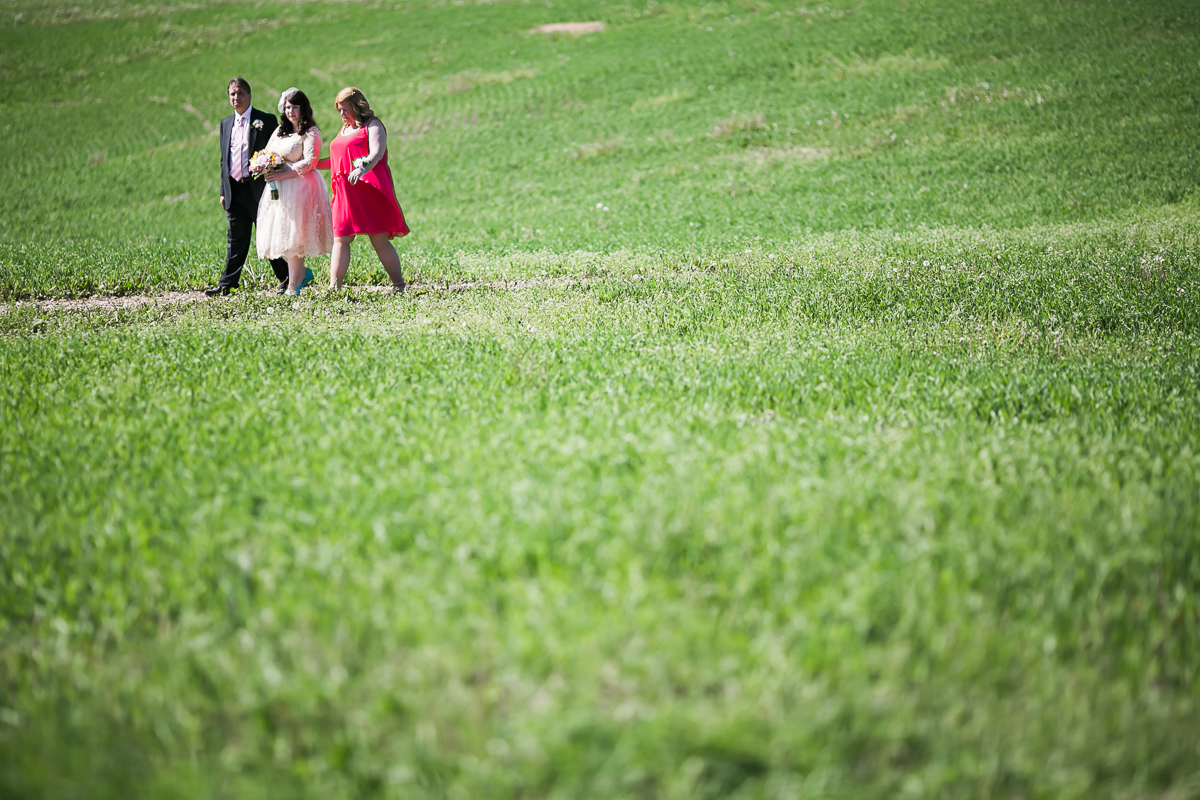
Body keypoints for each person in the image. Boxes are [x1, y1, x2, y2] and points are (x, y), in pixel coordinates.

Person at [319, 87, 409, 292]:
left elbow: (376, 153)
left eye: (345, 109)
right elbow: (337, 160)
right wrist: (312, 164)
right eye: (339, 110)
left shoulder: (373, 125)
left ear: (357, 106)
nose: (342, 114)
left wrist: (362, 167)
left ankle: (399, 284)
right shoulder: (344, 130)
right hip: (344, 193)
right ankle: (334, 288)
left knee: (379, 240)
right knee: (341, 238)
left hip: (366, 189)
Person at [208, 77, 290, 296]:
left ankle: (288, 279)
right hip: (234, 189)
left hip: (259, 189)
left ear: (249, 95)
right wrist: (223, 191)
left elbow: (277, 151)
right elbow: (224, 160)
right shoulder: (226, 124)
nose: (236, 98)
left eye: (240, 93)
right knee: (235, 238)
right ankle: (227, 284)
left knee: (268, 235)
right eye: (232, 94)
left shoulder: (265, 120)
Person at [254, 88, 333, 294]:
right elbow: (268, 152)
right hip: (279, 190)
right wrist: (264, 165)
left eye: (295, 107)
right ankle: (302, 274)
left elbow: (310, 161)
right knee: (284, 235)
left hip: (301, 187)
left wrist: (283, 174)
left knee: (295, 237)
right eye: (288, 107)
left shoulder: (311, 133)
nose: (291, 111)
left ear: (303, 109)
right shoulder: (281, 131)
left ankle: (293, 284)